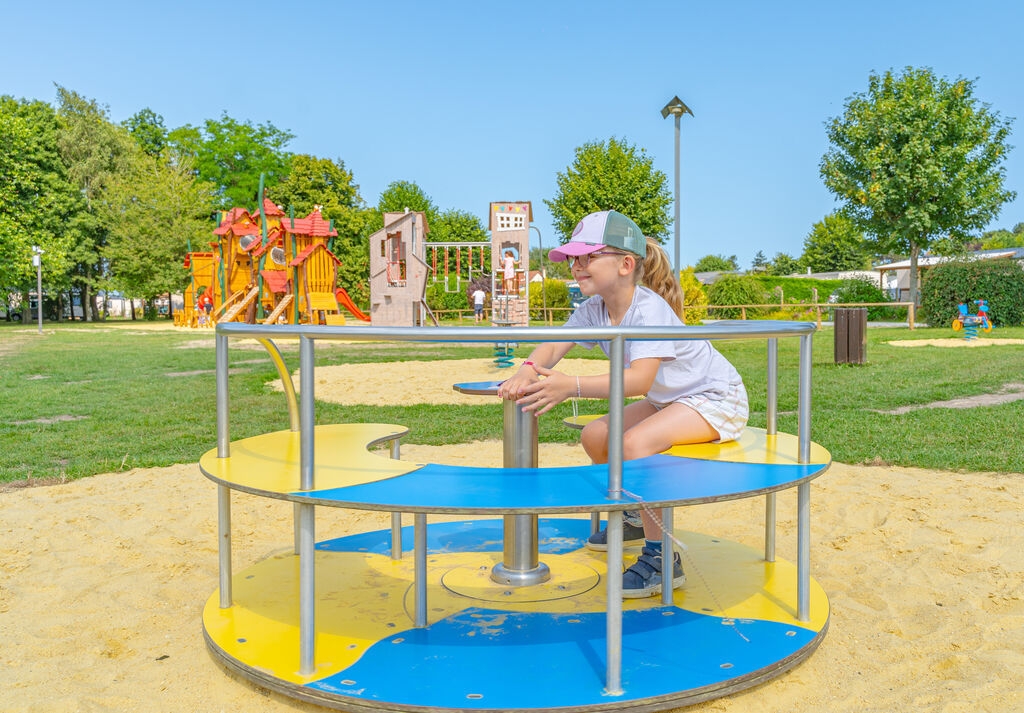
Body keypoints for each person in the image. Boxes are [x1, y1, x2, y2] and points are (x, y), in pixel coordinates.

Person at [497, 210, 748, 598]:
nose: (577, 267)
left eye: (588, 257)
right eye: (573, 259)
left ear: (626, 264)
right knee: (596, 435)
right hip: (670, 399)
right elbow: (552, 345)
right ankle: (635, 515)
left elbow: (638, 380)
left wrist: (572, 386)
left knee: (635, 445)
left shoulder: (649, 311)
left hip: (715, 398)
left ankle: (662, 560)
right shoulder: (593, 309)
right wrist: (528, 369)